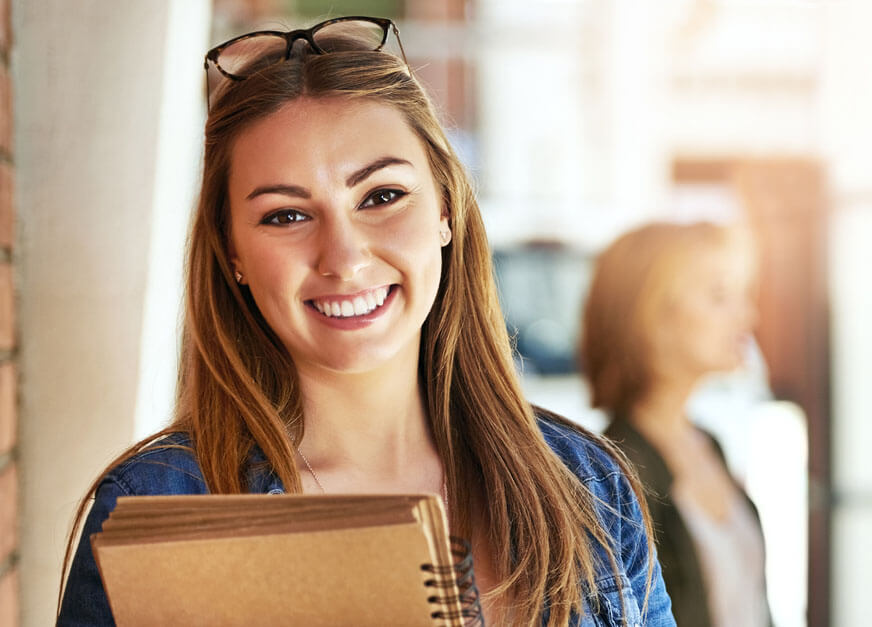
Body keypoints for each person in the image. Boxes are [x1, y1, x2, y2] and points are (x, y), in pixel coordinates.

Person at [57, 16, 672, 626]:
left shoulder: (589, 487)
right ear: (233, 254)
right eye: (285, 216)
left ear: (446, 211)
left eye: (381, 196)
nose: (344, 260)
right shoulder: (157, 502)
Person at [580, 222, 771, 627]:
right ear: (652, 315)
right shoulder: (611, 473)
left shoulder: (709, 445)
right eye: (720, 296)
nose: (747, 315)